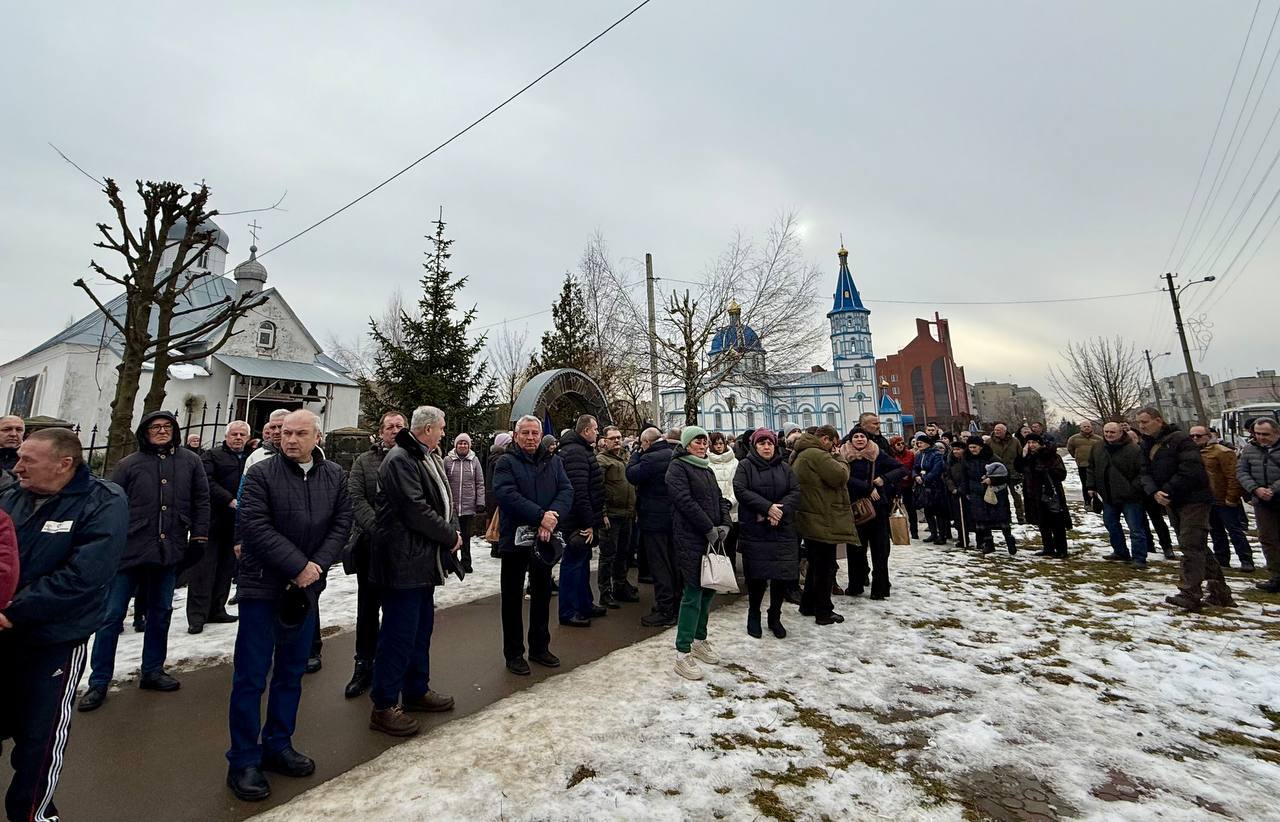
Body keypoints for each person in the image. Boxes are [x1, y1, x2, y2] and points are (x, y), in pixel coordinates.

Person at [0, 428, 127, 822]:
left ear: (64, 463)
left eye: (27, 460)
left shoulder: (104, 501)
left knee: (40, 739)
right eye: (18, 457)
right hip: (4, 637)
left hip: (54, 640)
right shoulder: (11, 496)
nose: (17, 466)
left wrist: (12, 611)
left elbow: (85, 575)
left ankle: (33, 814)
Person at [226, 410, 352, 802]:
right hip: (263, 588)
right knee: (251, 676)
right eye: (285, 432)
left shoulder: (334, 476)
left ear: (318, 436)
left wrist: (315, 567)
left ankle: (278, 744)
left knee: (290, 673)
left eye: (300, 433)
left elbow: (342, 522)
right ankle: (243, 760)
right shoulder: (262, 474)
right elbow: (255, 526)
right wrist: (298, 566)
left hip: (305, 592)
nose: (290, 439)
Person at [79, 410, 210, 711]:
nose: (162, 431)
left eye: (167, 426)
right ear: (145, 432)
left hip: (168, 552)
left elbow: (201, 500)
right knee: (111, 616)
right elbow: (110, 504)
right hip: (129, 553)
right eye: (155, 427)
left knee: (160, 612)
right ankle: (99, 681)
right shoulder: (129, 464)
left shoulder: (190, 462)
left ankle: (152, 670)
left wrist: (199, 537)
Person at [368, 406, 460, 737]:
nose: (444, 433)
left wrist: (452, 530)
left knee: (420, 631)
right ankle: (384, 705)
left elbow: (442, 502)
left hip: (421, 561)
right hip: (402, 562)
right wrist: (451, 536)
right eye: (442, 428)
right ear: (428, 429)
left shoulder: (423, 455)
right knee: (398, 635)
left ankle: (416, 690)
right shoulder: (401, 459)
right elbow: (415, 509)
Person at [492, 415, 572, 676]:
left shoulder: (555, 462)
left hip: (544, 538)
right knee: (513, 598)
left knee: (541, 593)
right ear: (515, 436)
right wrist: (540, 516)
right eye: (524, 433)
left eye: (534, 433)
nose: (530, 437)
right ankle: (514, 653)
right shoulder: (506, 462)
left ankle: (540, 647)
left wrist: (551, 518)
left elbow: (566, 491)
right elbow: (506, 495)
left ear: (541, 436)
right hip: (514, 539)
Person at [1135, 407, 1234, 611]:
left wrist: (1167, 490)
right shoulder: (1146, 444)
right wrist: (1154, 491)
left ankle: (1190, 593)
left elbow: (1191, 470)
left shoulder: (1180, 440)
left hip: (1194, 499)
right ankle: (1220, 592)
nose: (1141, 426)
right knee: (1196, 545)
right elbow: (1144, 471)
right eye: (1139, 423)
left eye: (1144, 422)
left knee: (1191, 545)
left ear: (1158, 420)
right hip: (1171, 501)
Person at [342, 411, 405, 699]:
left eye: (399, 426)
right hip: (370, 547)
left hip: (404, 551)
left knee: (397, 612)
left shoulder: (414, 460)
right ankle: (363, 664)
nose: (394, 430)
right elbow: (355, 499)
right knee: (367, 610)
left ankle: (390, 667)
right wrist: (380, 530)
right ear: (380, 432)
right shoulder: (363, 462)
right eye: (389, 427)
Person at [666, 427, 731, 681]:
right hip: (691, 538)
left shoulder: (706, 468)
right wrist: (708, 528)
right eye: (697, 441)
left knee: (708, 590)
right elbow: (685, 502)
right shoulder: (678, 468)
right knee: (693, 593)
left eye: (704, 441)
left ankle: (699, 638)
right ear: (686, 444)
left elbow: (720, 499)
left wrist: (725, 523)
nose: (703, 445)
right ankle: (683, 652)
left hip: (712, 538)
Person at [733, 428, 801, 639]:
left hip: (782, 528)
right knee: (757, 577)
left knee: (781, 575)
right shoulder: (745, 466)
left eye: (769, 443)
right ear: (755, 446)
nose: (766, 447)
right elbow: (741, 490)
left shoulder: (784, 467)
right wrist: (767, 508)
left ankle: (775, 615)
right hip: (756, 530)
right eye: (762, 443)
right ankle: (754, 614)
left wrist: (778, 510)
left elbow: (795, 491)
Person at [187, 420, 250, 634]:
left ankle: (217, 608)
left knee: (225, 567)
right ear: (226, 436)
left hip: (235, 523)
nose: (238, 438)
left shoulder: (250, 458)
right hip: (213, 519)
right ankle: (197, 616)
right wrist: (228, 499)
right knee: (204, 569)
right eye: (234, 434)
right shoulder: (212, 456)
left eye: (242, 434)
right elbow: (206, 480)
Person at [792, 425, 858, 625]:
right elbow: (839, 476)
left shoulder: (801, 453)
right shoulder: (816, 454)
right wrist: (840, 458)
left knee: (816, 565)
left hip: (810, 515)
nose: (833, 448)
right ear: (826, 439)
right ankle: (823, 611)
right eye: (833, 443)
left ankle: (808, 604)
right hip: (821, 516)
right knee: (825, 567)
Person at [556, 415, 607, 628]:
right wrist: (588, 523)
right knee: (573, 565)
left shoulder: (580, 449)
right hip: (576, 521)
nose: (597, 433)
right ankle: (568, 611)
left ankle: (585, 603)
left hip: (580, 518)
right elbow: (579, 491)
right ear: (585, 431)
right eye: (595, 429)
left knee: (582, 563)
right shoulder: (576, 452)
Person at [843, 428, 906, 599]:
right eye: (855, 436)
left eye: (862, 436)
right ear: (850, 440)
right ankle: (855, 585)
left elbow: (901, 469)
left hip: (878, 507)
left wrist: (884, 479)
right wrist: (868, 487)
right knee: (856, 549)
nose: (859, 439)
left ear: (868, 439)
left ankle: (880, 588)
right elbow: (843, 478)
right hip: (855, 507)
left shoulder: (878, 453)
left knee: (880, 549)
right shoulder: (843, 454)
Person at [628, 426, 680, 627]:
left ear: (647, 443)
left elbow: (632, 474)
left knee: (660, 565)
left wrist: (635, 455)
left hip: (653, 519)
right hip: (671, 518)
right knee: (673, 563)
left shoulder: (650, 458)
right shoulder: (672, 454)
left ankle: (664, 609)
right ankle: (674, 604)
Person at [1086, 421, 1151, 569]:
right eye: (1106, 432)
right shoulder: (1098, 447)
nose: (1108, 435)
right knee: (1111, 524)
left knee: (1135, 529)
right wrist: (1091, 486)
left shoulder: (1134, 449)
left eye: (1112, 432)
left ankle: (1139, 558)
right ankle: (1120, 551)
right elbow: (1091, 467)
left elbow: (1143, 472)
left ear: (1121, 433)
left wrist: (1132, 489)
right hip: (1108, 496)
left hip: (1131, 497)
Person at [1191, 425, 1255, 572]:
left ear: (1208, 436)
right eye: (1192, 436)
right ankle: (1222, 559)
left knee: (1234, 530)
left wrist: (1232, 497)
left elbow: (1233, 476)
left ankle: (1246, 559)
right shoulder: (1193, 453)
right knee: (1215, 532)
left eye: (1198, 436)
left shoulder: (1222, 452)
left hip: (1224, 498)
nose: (1195, 438)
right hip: (1206, 500)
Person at [596, 425, 639, 607]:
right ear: (604, 440)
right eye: (612, 438)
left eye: (619, 437)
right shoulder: (602, 461)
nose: (616, 441)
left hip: (627, 514)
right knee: (608, 555)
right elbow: (598, 490)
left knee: (623, 553)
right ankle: (605, 592)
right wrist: (602, 513)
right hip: (611, 516)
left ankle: (620, 585)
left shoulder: (624, 459)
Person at [1237, 418, 1280, 593]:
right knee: (1268, 539)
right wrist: (1255, 489)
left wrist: (1273, 489)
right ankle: (1276, 575)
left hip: (1277, 495)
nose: (1261, 437)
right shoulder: (1249, 449)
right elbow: (1241, 471)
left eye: (1265, 434)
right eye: (1258, 434)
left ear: (1276, 433)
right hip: (1262, 501)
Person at [1017, 433, 1070, 559]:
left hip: (1050, 493)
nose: (1031, 445)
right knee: (1042, 522)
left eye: (1034, 442)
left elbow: (1061, 474)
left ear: (1040, 443)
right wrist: (1023, 456)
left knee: (1057, 522)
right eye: (1028, 443)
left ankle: (1061, 549)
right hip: (1033, 494)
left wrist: (1046, 470)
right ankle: (1048, 547)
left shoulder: (1051, 455)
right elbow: (1019, 468)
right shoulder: (1028, 457)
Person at [958, 437, 1015, 554]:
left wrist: (992, 480)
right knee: (982, 520)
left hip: (994, 492)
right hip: (976, 493)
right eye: (970, 447)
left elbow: (1005, 475)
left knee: (1001, 519)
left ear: (981, 447)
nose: (972, 449)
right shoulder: (966, 459)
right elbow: (964, 477)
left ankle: (1010, 541)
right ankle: (989, 544)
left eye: (975, 447)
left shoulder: (992, 457)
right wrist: (966, 492)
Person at [444, 432, 485, 574]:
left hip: (468, 506)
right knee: (452, 535)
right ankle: (451, 563)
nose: (463, 445)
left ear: (469, 445)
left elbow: (480, 482)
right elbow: (443, 482)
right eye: (460, 443)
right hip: (452, 507)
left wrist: (480, 501)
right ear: (456, 445)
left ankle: (466, 562)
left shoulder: (474, 461)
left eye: (465, 443)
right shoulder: (448, 460)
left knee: (466, 537)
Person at [707, 432, 740, 570]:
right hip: (715, 509)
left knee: (730, 546)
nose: (719, 446)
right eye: (716, 444)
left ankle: (730, 575)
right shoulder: (707, 462)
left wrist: (731, 500)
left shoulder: (735, 462)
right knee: (715, 547)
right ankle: (716, 576)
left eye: (721, 443)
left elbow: (738, 485)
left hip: (733, 510)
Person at [987, 422, 1025, 524]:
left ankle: (1021, 517)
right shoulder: (989, 442)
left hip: (1013, 473)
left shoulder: (1015, 441)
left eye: (999, 430)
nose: (997, 432)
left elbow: (1020, 456)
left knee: (1017, 497)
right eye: (995, 430)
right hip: (997, 474)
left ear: (1005, 431)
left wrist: (1020, 471)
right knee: (1000, 498)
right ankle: (1003, 518)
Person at [916, 440, 951, 544]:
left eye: (921, 442)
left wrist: (925, 478)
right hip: (924, 486)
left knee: (939, 512)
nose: (919, 445)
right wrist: (916, 476)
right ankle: (933, 533)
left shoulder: (936, 455)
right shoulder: (919, 455)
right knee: (928, 511)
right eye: (918, 443)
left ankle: (942, 535)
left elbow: (936, 471)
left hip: (936, 486)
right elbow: (916, 467)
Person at [888, 436, 918, 540]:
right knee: (895, 508)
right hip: (895, 485)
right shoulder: (891, 455)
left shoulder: (910, 454)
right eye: (898, 444)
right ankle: (896, 532)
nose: (901, 446)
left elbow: (914, 466)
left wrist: (909, 474)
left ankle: (914, 532)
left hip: (908, 484)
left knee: (911, 508)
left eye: (902, 443)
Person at [1066, 421, 1103, 503]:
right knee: (1085, 484)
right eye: (1084, 426)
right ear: (1081, 428)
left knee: (1097, 483)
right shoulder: (1074, 439)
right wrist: (1077, 456)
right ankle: (1087, 501)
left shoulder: (1099, 439)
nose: (1087, 428)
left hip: (1096, 465)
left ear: (1091, 427)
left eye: (1088, 426)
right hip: (1082, 464)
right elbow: (1070, 449)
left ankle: (1098, 500)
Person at [944, 441, 971, 548]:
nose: (955, 452)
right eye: (954, 449)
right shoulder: (950, 461)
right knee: (958, 518)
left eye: (958, 449)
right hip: (955, 493)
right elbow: (947, 476)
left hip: (967, 493)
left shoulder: (968, 461)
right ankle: (962, 538)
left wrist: (962, 489)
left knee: (969, 517)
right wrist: (952, 488)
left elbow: (968, 477)